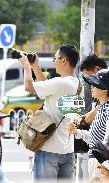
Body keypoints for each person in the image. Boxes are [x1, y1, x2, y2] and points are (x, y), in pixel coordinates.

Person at [18, 45, 79, 180]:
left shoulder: (60, 83)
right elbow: (47, 89)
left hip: (49, 149)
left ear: (64, 61)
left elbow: (28, 86)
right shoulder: (75, 83)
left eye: (55, 58)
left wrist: (27, 66)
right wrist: (36, 67)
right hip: (67, 150)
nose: (53, 62)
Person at [67, 70, 109, 179]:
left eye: (96, 85)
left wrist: (102, 157)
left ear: (105, 89)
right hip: (99, 160)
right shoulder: (103, 107)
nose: (92, 87)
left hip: (103, 162)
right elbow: (95, 138)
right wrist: (77, 132)